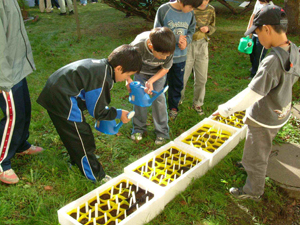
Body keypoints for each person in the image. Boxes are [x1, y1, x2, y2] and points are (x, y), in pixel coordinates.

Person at [213, 5, 300, 200]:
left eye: (257, 32)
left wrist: (226, 109)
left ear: (267, 29)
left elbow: (252, 95)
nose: (256, 38)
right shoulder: (293, 49)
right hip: (280, 111)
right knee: (258, 146)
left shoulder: (271, 62)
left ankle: (253, 191)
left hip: (264, 117)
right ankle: (248, 162)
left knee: (257, 156)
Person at [37, 45, 142, 182]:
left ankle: (77, 161)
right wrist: (118, 114)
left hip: (56, 91)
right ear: (119, 68)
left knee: (72, 134)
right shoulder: (102, 78)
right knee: (82, 137)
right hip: (62, 98)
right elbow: (98, 112)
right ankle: (96, 176)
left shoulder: (103, 67)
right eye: (127, 75)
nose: (126, 79)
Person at [0, 0, 44, 185]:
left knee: (24, 108)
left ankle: (20, 144)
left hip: (17, 65)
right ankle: (2, 162)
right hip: (5, 72)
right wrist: (3, 79)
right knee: (13, 115)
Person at [154, 0, 202, 120]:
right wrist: (175, 38)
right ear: (181, 2)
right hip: (163, 57)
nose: (192, 10)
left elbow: (191, 31)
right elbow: (156, 33)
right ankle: (161, 108)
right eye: (191, 7)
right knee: (161, 84)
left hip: (180, 57)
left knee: (177, 84)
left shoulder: (190, 13)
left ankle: (173, 107)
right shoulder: (164, 10)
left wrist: (187, 41)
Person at [129, 27, 176, 145]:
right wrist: (128, 80)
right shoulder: (137, 46)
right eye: (162, 55)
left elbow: (166, 68)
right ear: (150, 46)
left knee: (158, 100)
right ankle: (138, 129)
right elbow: (126, 63)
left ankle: (162, 133)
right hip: (140, 72)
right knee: (139, 99)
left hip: (158, 74)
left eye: (167, 55)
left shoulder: (168, 47)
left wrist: (151, 81)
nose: (165, 58)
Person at [181, 0, 216, 115]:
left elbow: (213, 26)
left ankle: (198, 104)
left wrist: (208, 29)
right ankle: (177, 102)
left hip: (202, 45)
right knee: (183, 77)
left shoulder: (211, 9)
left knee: (202, 78)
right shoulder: (191, 8)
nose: (204, 1)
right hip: (188, 45)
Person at [247, 0, 274, 78]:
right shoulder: (258, 2)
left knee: (259, 55)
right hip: (255, 32)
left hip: (264, 35)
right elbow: (253, 15)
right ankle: (254, 67)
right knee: (251, 51)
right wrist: (249, 30)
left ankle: (255, 74)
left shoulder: (270, 8)